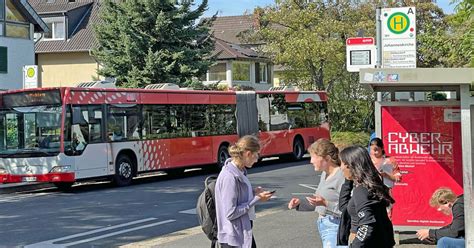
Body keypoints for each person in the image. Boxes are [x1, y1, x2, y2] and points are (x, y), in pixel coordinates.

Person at [215, 135, 273, 248]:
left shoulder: (239, 171)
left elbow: (237, 196)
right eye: (256, 155)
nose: (257, 159)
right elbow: (230, 213)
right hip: (233, 238)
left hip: (241, 233)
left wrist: (253, 192)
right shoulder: (229, 177)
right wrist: (256, 199)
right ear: (248, 154)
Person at [287, 139, 347, 248]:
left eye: (313, 157)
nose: (310, 161)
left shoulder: (341, 177)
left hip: (336, 226)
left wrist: (325, 203)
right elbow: (318, 202)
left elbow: (349, 210)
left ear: (327, 158)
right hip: (325, 225)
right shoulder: (325, 175)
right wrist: (300, 203)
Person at [337, 145, 395, 248]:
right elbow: (344, 208)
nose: (340, 167)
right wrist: (348, 180)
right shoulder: (369, 186)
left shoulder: (362, 191)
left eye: (341, 163)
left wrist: (355, 246)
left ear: (350, 165)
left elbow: (367, 225)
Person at [369, 137, 401, 218]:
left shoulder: (390, 160)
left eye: (376, 149)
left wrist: (386, 175)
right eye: (371, 150)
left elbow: (398, 178)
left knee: (386, 216)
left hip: (385, 191)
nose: (374, 152)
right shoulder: (368, 160)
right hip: (370, 191)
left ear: (382, 148)